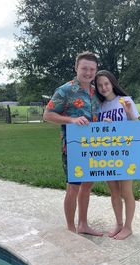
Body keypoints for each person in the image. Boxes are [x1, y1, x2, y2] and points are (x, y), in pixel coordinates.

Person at [43, 51, 103, 236]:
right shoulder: (65, 90)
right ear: (76, 68)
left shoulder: (96, 91)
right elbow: (47, 115)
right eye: (84, 68)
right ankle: (70, 230)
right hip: (73, 148)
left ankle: (83, 224)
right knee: (73, 187)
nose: (88, 72)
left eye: (92, 69)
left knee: (88, 185)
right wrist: (71, 120)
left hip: (92, 146)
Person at [95, 70, 140, 240]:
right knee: (114, 191)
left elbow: (136, 127)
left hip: (125, 152)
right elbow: (97, 133)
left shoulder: (126, 100)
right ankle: (119, 224)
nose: (103, 87)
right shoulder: (100, 106)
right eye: (100, 85)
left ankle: (128, 227)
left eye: (106, 83)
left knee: (126, 191)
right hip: (107, 153)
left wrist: (128, 113)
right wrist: (102, 124)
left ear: (112, 83)